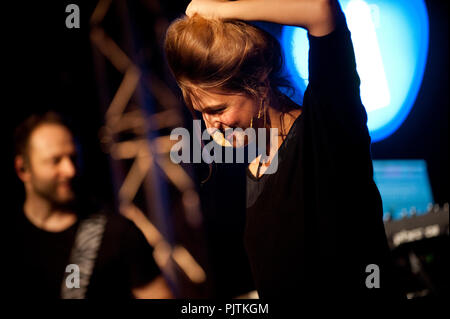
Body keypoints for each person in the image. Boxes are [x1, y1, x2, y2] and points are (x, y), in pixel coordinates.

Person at [165, 0, 403, 299]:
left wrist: (221, 11)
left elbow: (319, 10)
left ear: (260, 83)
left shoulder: (325, 129)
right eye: (201, 113)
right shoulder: (257, 166)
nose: (210, 126)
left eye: (219, 109)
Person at [12, 112, 173, 299]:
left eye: (73, 158)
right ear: (23, 169)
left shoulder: (117, 233)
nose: (70, 170)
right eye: (55, 161)